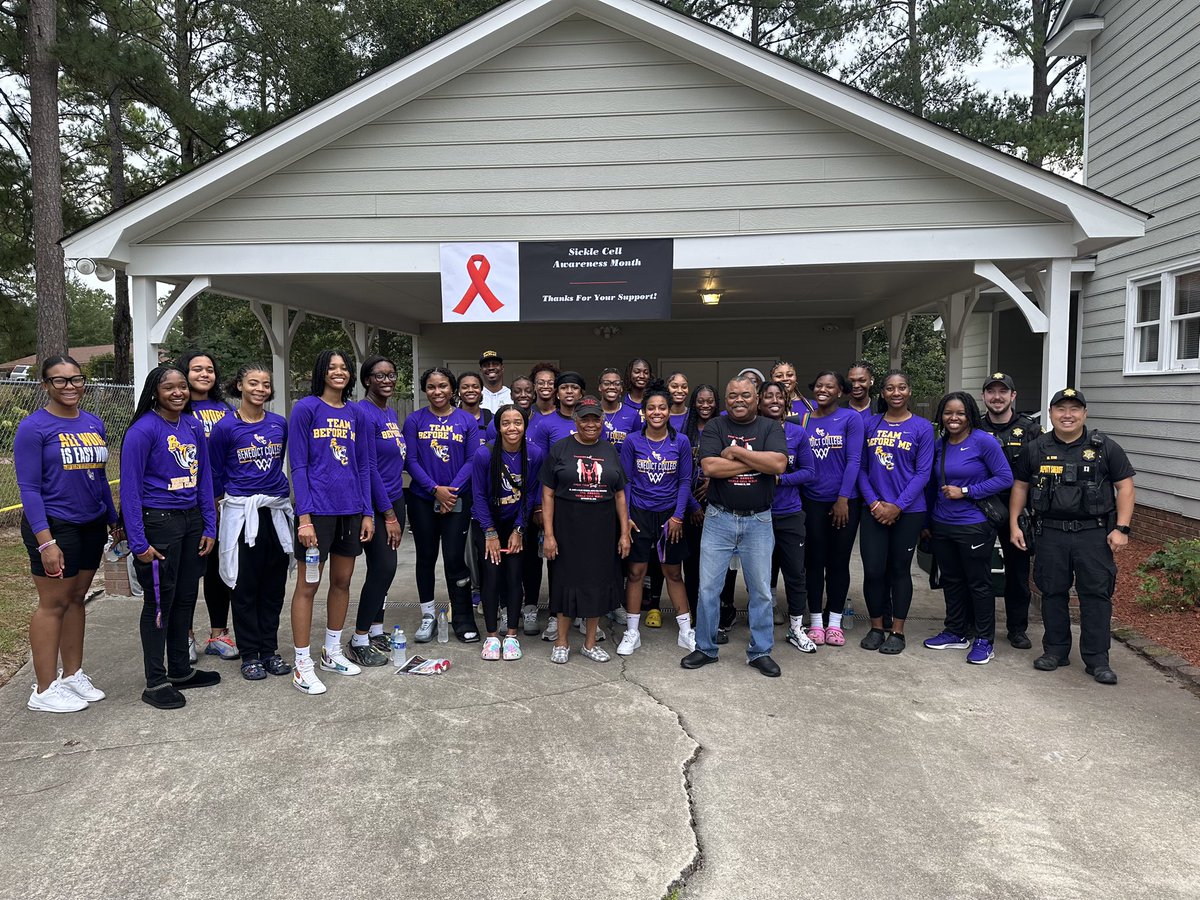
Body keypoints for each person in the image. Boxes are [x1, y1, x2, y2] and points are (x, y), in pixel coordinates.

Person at [1010, 389, 1135, 685]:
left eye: (1074, 409)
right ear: (1051, 413)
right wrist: (1015, 524)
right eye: (1061, 409)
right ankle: (1055, 650)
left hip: (1093, 534)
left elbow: (1125, 487)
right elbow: (1020, 487)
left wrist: (1122, 528)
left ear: (1085, 414)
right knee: (1052, 593)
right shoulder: (1036, 447)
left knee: (1096, 595)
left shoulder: (1105, 448)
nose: (1068, 415)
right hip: (1050, 532)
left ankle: (1097, 659)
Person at [18, 356, 119, 713]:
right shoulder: (34, 428)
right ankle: (43, 689)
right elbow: (29, 489)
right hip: (55, 524)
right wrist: (46, 541)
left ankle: (72, 674)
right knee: (53, 604)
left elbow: (99, 476)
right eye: (59, 381)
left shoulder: (93, 423)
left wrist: (113, 518)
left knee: (77, 598)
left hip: (90, 522)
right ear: (45, 385)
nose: (70, 386)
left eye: (76, 379)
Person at [121, 364, 219, 709]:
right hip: (158, 522)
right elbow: (130, 491)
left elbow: (203, 477)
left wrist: (209, 525)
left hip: (191, 521)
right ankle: (156, 681)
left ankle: (180, 670)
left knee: (185, 598)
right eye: (169, 388)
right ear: (155, 392)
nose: (177, 393)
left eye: (182, 387)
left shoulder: (192, 424)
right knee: (160, 602)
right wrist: (138, 542)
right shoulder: (143, 430)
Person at [682, 375, 788, 677]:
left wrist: (737, 453)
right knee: (707, 589)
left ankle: (760, 651)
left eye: (745, 395)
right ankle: (705, 647)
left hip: (759, 520)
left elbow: (779, 464)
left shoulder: (770, 426)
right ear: (726, 400)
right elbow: (711, 467)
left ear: (756, 398)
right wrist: (758, 461)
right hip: (719, 518)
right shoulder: (717, 426)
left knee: (761, 592)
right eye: (732, 396)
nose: (738, 400)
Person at [288, 350, 375, 695]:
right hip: (317, 513)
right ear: (321, 372)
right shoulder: (306, 408)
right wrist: (304, 517)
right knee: (308, 585)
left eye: (344, 368)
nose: (339, 372)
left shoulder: (356, 414)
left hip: (350, 510)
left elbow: (364, 466)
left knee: (342, 582)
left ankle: (332, 651)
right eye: (332, 367)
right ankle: (302, 664)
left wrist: (367, 511)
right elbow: (298, 465)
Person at [209, 363, 293, 681]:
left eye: (266, 384)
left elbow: (276, 464)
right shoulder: (225, 428)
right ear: (240, 386)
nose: (260, 389)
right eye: (253, 383)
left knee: (273, 586)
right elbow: (216, 473)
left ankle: (269, 650)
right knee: (244, 586)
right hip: (241, 515)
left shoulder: (278, 424)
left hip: (273, 512)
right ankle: (250, 654)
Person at [921, 392, 1013, 665]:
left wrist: (967, 490)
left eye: (960, 413)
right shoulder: (940, 445)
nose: (953, 418)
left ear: (970, 414)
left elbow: (1005, 477)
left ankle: (984, 640)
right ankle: (955, 631)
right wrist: (926, 522)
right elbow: (930, 485)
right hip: (942, 523)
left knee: (979, 583)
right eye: (948, 413)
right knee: (951, 580)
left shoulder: (984, 442)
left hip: (974, 524)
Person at [540, 395, 631, 664]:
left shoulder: (610, 450)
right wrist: (549, 534)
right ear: (575, 420)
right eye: (585, 419)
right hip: (567, 529)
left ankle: (590, 643)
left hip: (602, 531)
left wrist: (624, 533)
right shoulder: (560, 449)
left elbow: (620, 495)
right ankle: (562, 641)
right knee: (565, 584)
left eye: (596, 419)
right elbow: (547, 494)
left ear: (602, 422)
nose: (590, 424)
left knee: (597, 585)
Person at [857, 370, 935, 655]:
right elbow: (861, 469)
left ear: (909, 391)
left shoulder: (923, 427)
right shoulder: (869, 424)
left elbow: (923, 472)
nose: (896, 393)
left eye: (902, 387)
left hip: (909, 510)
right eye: (890, 388)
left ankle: (897, 631)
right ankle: (877, 626)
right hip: (874, 509)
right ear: (883, 393)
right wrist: (876, 504)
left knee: (900, 570)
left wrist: (898, 506)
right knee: (874, 570)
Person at [616, 383, 696, 656]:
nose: (657, 412)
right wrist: (625, 518)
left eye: (662, 407)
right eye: (651, 407)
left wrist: (678, 516)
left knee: (673, 571)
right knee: (636, 572)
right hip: (639, 513)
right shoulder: (632, 441)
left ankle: (686, 631)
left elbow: (685, 481)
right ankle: (632, 632)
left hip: (669, 515)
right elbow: (625, 482)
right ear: (644, 411)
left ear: (670, 410)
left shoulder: (681, 441)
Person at [403, 367, 480, 643]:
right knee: (425, 558)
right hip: (423, 500)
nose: (438, 392)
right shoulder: (414, 421)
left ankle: (462, 617)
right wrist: (435, 490)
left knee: (455, 560)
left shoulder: (467, 421)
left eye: (443, 386)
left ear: (453, 389)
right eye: (432, 387)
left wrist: (451, 493)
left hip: (457, 501)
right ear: (425, 390)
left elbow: (473, 460)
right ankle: (427, 616)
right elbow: (410, 460)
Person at [177, 349, 239, 662]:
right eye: (197, 369)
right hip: (189, 502)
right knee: (190, 572)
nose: (204, 374)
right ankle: (185, 636)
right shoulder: (178, 407)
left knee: (218, 571)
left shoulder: (225, 409)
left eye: (210, 369)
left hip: (223, 501)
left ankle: (218, 634)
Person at [346, 355, 406, 667]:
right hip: (376, 504)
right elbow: (367, 469)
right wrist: (388, 514)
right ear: (367, 379)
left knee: (387, 570)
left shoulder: (389, 411)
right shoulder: (363, 413)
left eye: (391, 374)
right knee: (382, 568)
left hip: (396, 498)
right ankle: (357, 639)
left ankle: (376, 629)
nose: (386, 380)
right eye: (379, 375)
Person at [471, 404, 543, 661]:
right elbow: (478, 495)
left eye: (517, 422)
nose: (512, 428)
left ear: (525, 426)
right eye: (506, 423)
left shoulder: (534, 453)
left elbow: (531, 495)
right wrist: (490, 532)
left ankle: (511, 636)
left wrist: (520, 529)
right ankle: (492, 636)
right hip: (488, 522)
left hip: (517, 523)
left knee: (514, 576)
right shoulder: (484, 454)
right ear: (498, 426)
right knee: (491, 577)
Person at [977, 372, 1041, 649]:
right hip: (980, 506)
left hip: (1017, 510)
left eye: (1003, 392)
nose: (997, 397)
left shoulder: (1030, 430)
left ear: (1013, 396)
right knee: (976, 570)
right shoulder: (974, 427)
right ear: (984, 397)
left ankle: (1017, 628)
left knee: (1017, 572)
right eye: (991, 392)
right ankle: (976, 624)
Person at [801, 371, 864, 647]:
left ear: (841, 391)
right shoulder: (803, 420)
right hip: (810, 501)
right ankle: (815, 621)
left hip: (843, 502)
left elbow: (854, 461)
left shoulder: (851, 419)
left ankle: (835, 622)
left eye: (830, 386)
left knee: (838, 562)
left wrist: (843, 498)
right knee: (813, 562)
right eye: (819, 385)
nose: (823, 390)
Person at [756, 381, 818, 654]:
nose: (773, 400)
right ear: (758, 402)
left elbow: (809, 472)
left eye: (778, 396)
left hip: (790, 513)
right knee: (759, 576)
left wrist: (781, 479)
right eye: (767, 396)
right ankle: (761, 628)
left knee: (795, 572)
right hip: (758, 513)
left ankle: (796, 627)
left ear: (786, 402)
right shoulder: (751, 432)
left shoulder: (797, 433)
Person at [681, 384, 718, 617]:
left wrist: (712, 483)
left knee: (715, 562)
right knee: (692, 562)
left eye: (710, 401)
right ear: (694, 403)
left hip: (717, 502)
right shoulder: (686, 431)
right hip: (689, 502)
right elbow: (680, 473)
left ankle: (715, 611)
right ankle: (693, 611)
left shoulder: (722, 428)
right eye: (700, 401)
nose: (705, 405)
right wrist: (693, 506)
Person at [598, 368, 638, 449]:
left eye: (617, 383)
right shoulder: (591, 411)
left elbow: (637, 445)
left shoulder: (632, 414)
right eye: (606, 383)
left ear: (621, 388)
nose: (612, 387)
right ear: (600, 387)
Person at [458, 371, 494, 443]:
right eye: (465, 387)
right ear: (459, 391)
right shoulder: (450, 419)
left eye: (475, 387)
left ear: (481, 391)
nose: (470, 390)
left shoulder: (491, 418)